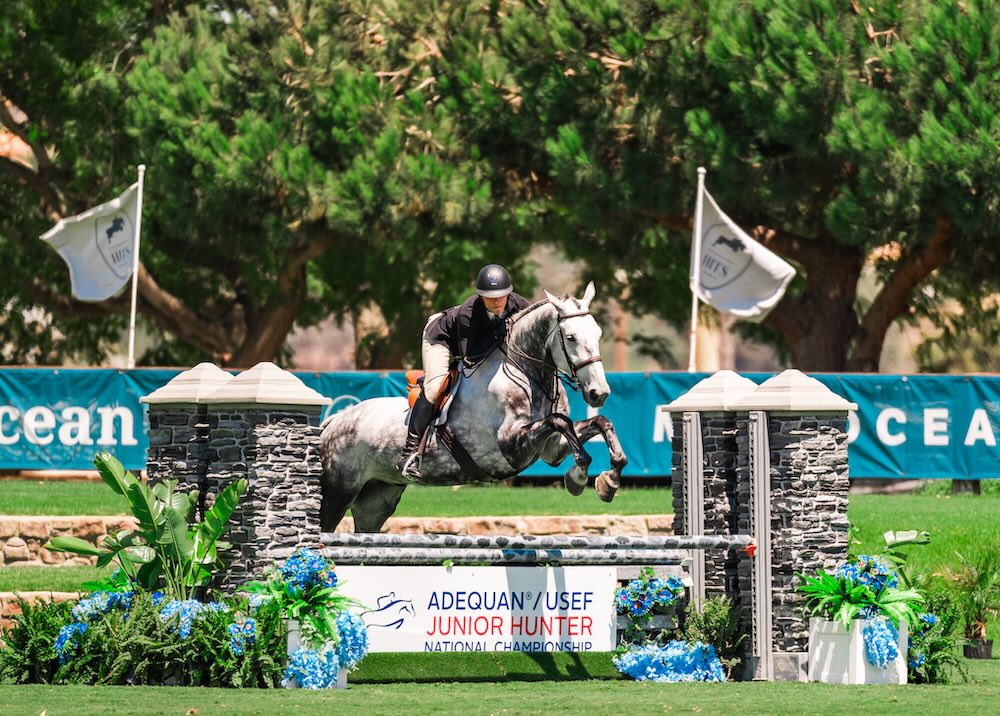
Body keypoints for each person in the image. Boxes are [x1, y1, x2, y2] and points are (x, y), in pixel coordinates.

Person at [397, 264, 531, 477]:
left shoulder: (520, 305)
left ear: (509, 293)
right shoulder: (469, 312)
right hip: (442, 339)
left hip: (480, 345)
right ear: (480, 296)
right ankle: (410, 452)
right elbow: (469, 357)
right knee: (434, 388)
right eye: (490, 297)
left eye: (501, 296)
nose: (497, 301)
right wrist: (499, 332)